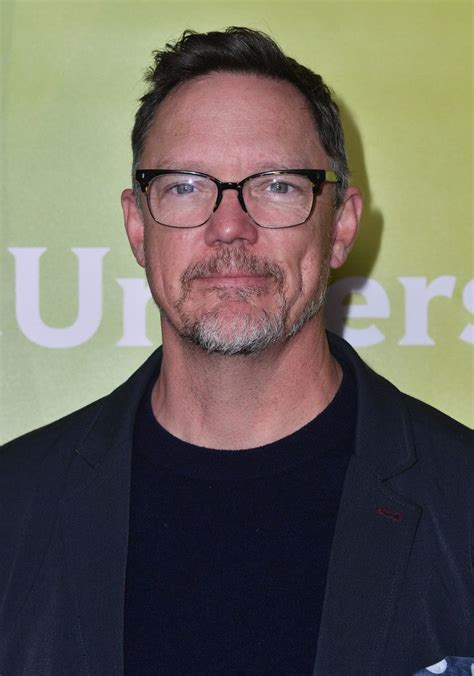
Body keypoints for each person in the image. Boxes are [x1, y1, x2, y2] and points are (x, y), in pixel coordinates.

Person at [1, 27, 472, 676]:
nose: (230, 226)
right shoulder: (12, 509)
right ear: (138, 226)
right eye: (185, 185)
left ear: (340, 224)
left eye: (277, 185)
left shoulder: (463, 502)